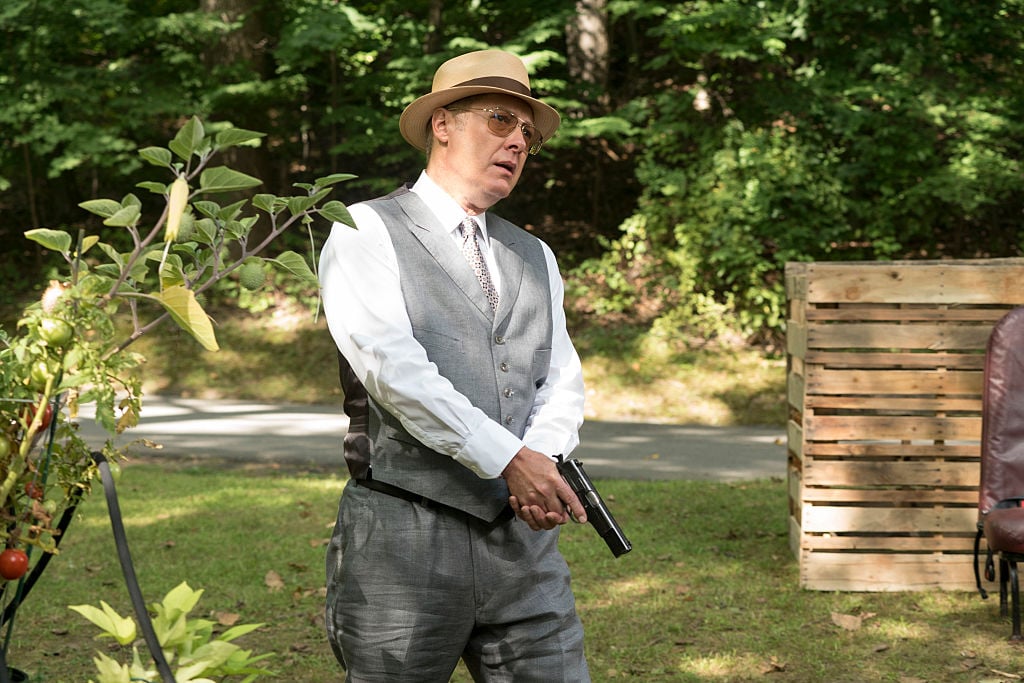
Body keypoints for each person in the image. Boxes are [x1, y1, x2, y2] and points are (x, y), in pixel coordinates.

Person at [319, 49, 591, 682]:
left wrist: (541, 461)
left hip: (523, 545)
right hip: (403, 538)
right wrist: (508, 459)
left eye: (528, 133)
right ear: (442, 123)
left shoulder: (534, 254)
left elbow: (561, 378)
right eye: (501, 120)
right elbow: (392, 369)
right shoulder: (364, 229)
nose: (518, 142)